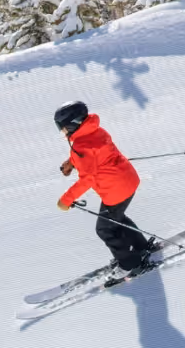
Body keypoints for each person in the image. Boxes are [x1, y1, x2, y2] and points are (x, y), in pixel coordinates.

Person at [54, 101, 158, 275]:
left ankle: (129, 264)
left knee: (105, 229)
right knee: (117, 218)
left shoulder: (81, 146)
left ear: (74, 123)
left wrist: (66, 200)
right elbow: (94, 154)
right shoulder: (95, 131)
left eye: (63, 128)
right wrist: (72, 162)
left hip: (115, 189)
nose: (63, 133)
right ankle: (141, 246)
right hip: (128, 179)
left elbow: (87, 178)